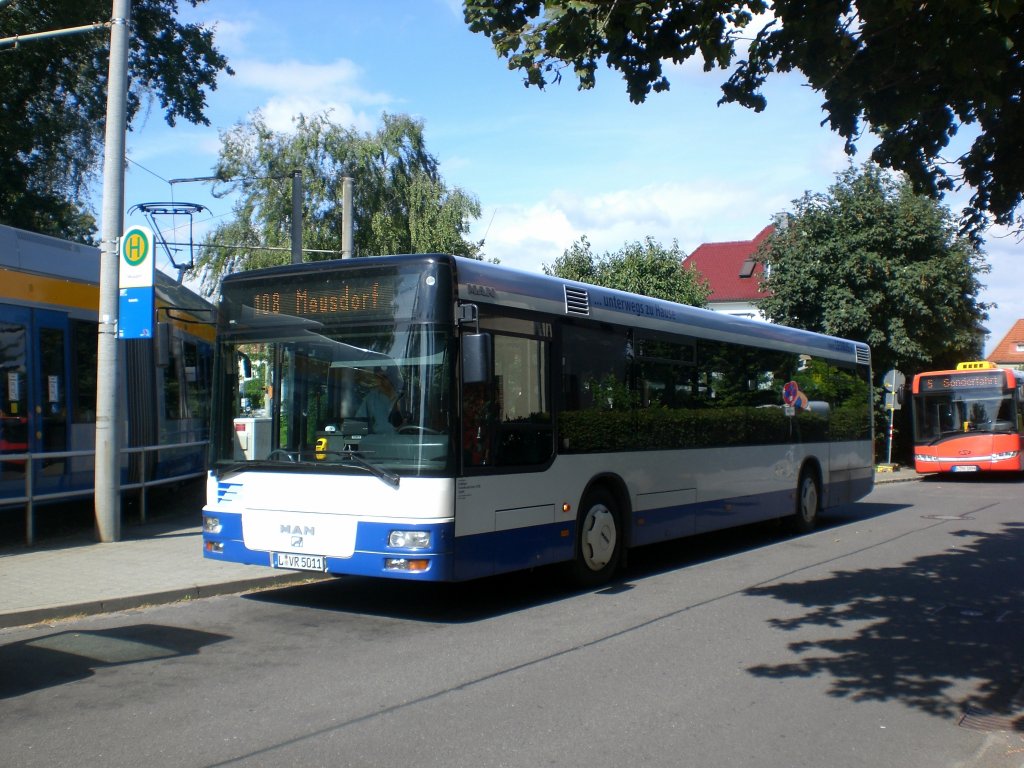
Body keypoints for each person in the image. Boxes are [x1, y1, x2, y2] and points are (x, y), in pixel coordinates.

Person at [355, 368, 399, 433]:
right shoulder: (371, 398)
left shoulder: (404, 397)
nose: (380, 381)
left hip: (402, 441)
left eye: (384, 377)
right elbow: (358, 424)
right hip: (377, 441)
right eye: (378, 377)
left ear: (393, 377)